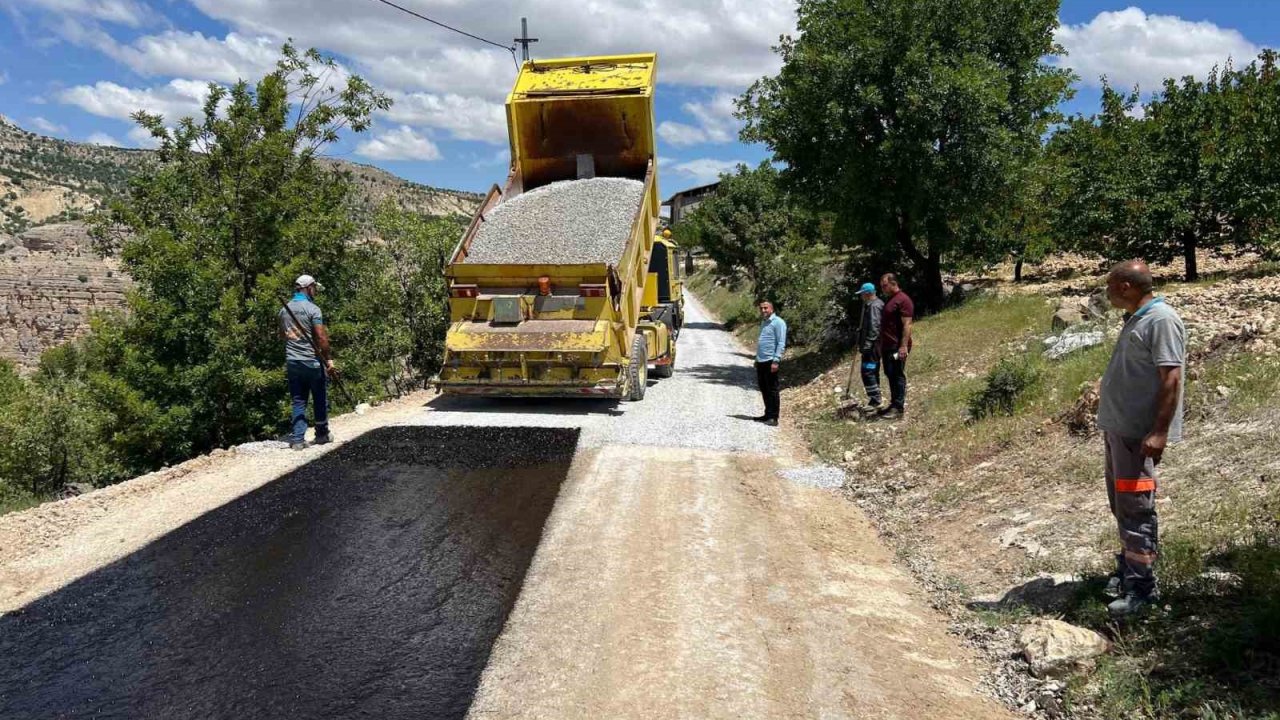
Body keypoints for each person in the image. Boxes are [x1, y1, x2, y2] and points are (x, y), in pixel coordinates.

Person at [1096, 260, 1186, 617]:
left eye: (1109, 286)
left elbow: (1171, 378)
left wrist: (1160, 432)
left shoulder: (1161, 319)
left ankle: (1142, 589)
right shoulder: (1138, 318)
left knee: (1136, 508)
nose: (1106, 292)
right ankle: (1129, 568)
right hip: (1120, 430)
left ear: (1125, 287)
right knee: (1122, 505)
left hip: (1137, 433)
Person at [279, 275, 335, 450]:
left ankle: (297, 439)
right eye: (314, 287)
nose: (315, 291)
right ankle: (321, 434)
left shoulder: (284, 310)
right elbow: (321, 337)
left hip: (293, 361)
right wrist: (329, 360)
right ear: (308, 288)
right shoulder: (313, 309)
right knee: (319, 396)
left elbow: (282, 335)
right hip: (312, 360)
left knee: (298, 400)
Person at [877, 273, 914, 419]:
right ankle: (893, 404)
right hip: (887, 346)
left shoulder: (903, 300)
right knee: (890, 373)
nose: (883, 288)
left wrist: (903, 346)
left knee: (897, 374)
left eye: (885, 285)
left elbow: (907, 324)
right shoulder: (891, 300)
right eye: (881, 286)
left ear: (893, 283)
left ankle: (898, 408)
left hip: (897, 346)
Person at [754, 300, 787, 426]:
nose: (763, 310)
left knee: (772, 389)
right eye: (761, 308)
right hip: (761, 360)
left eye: (766, 308)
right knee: (764, 388)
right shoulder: (764, 322)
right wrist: (757, 359)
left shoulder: (778, 322)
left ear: (771, 309)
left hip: (770, 361)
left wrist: (776, 360)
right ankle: (767, 414)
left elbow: (781, 343)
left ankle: (774, 417)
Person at [856, 282, 884, 413]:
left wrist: (867, 344)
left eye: (861, 294)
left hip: (872, 347)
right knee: (871, 371)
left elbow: (875, 327)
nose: (860, 296)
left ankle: (876, 399)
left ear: (867, 293)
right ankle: (875, 398)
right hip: (872, 346)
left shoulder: (874, 307)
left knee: (868, 371)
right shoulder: (871, 305)